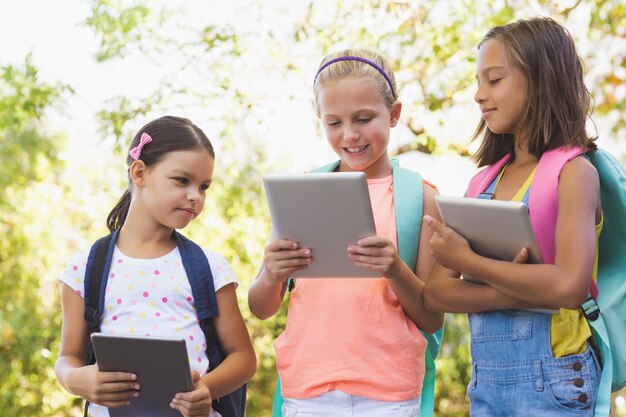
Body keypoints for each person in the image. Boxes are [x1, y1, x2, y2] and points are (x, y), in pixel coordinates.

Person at [248, 49, 445, 417]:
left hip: (389, 395)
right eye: (333, 122)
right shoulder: (304, 192)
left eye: (364, 118)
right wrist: (272, 273)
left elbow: (432, 319)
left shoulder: (422, 198)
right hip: (306, 393)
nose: (349, 134)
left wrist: (394, 268)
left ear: (395, 114)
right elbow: (261, 307)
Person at [422, 17, 603, 416]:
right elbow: (436, 293)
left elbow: (570, 287)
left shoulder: (574, 174)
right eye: (478, 81)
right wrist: (524, 289)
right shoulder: (481, 184)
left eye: (494, 80)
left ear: (541, 81)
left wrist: (470, 263)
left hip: (557, 384)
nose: (478, 95)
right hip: (486, 386)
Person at [55, 116, 256, 417]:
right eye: (182, 180)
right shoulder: (85, 268)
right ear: (139, 172)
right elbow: (67, 358)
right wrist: (78, 379)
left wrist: (208, 389)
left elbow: (243, 358)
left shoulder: (209, 268)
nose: (195, 196)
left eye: (203, 187)